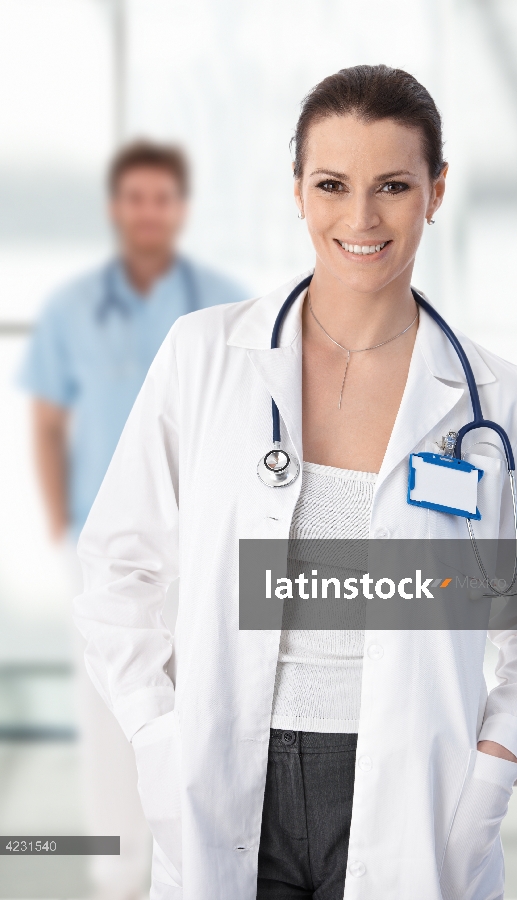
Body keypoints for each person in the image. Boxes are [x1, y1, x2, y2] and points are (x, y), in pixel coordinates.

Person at [73, 67, 517, 900]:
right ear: (297, 191)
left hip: (415, 793)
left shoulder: (499, 400)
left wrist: (498, 764)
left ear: (436, 191)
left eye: (393, 185)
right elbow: (115, 569)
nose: (361, 219)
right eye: (332, 185)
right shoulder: (204, 356)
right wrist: (158, 733)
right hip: (225, 774)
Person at [20, 140, 246, 900]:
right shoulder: (71, 311)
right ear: (117, 208)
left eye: (163, 198)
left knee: (209, 711)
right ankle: (118, 878)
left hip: (208, 550)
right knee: (114, 716)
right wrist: (61, 531)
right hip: (107, 548)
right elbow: (47, 424)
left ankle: (207, 863)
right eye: (135, 198)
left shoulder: (224, 309)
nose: (149, 212)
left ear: (179, 208)